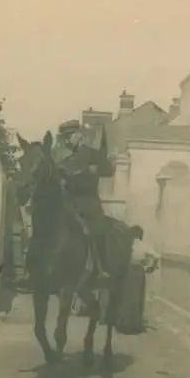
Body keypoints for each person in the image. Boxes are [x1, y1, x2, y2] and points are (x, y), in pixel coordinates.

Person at [54, 120, 116, 286]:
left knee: (98, 230)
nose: (67, 141)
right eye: (65, 137)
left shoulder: (93, 155)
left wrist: (94, 169)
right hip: (67, 202)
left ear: (79, 135)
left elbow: (109, 169)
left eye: (70, 136)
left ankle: (103, 269)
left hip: (88, 203)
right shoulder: (63, 158)